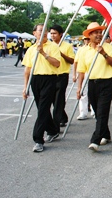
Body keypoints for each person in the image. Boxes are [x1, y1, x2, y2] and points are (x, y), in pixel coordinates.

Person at [76, 22, 112, 152]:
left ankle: (95, 140)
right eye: (95, 33)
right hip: (92, 83)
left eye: (100, 32)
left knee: (102, 111)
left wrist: (103, 53)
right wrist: (79, 88)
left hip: (107, 83)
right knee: (98, 112)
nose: (98, 35)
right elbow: (81, 71)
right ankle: (106, 134)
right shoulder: (84, 51)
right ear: (89, 35)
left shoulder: (108, 47)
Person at [22, 24, 61, 152]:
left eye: (46, 31)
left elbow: (57, 64)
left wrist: (43, 53)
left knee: (43, 108)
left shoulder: (53, 46)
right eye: (40, 30)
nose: (44, 33)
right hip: (35, 79)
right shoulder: (31, 49)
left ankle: (38, 139)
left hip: (49, 79)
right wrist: (25, 87)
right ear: (34, 33)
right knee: (41, 108)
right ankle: (52, 130)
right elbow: (27, 70)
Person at [49, 25, 75, 127]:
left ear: (60, 34)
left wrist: (61, 54)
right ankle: (62, 117)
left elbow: (72, 60)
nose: (53, 35)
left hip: (62, 75)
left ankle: (56, 123)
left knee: (59, 99)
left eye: (55, 33)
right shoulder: (49, 46)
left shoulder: (67, 46)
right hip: (51, 75)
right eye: (51, 33)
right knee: (53, 99)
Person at [73, 37, 93, 120]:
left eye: (88, 39)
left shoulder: (94, 48)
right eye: (85, 39)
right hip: (83, 71)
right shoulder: (81, 49)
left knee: (92, 92)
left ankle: (94, 111)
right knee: (82, 93)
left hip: (92, 72)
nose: (87, 41)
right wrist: (74, 74)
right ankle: (83, 112)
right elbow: (76, 62)